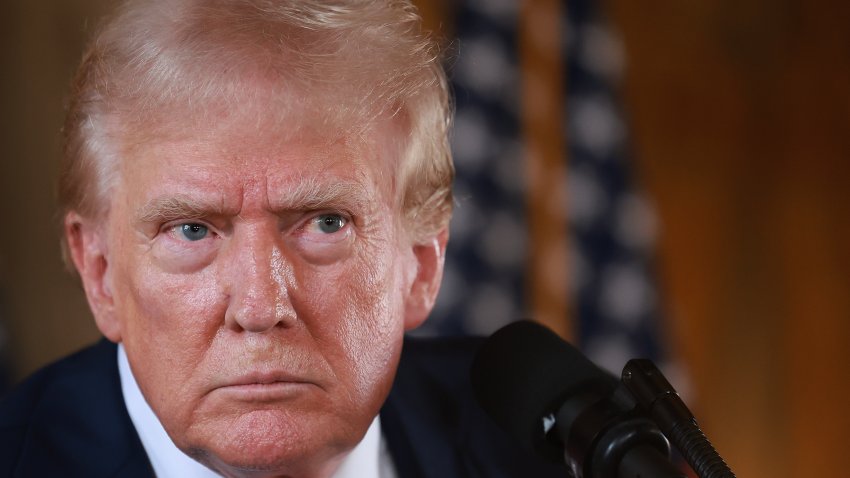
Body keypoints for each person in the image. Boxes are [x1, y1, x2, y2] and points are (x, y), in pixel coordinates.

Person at [0, 1, 568, 477]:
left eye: (325, 223)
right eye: (192, 230)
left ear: (420, 264)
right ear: (99, 273)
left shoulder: (548, 446)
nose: (259, 307)